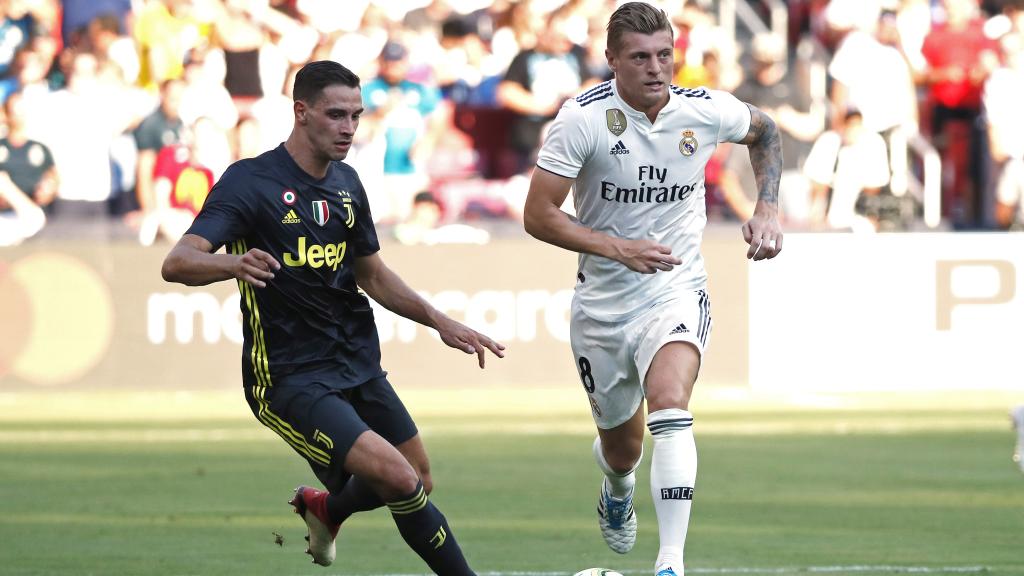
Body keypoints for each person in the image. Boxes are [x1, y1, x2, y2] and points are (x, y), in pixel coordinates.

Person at [161, 60, 505, 574]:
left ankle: (326, 508)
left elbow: (372, 274)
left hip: (356, 362)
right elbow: (177, 262)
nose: (348, 128)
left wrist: (440, 321)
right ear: (301, 113)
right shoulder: (249, 182)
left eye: (356, 116)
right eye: (336, 115)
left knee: (417, 477)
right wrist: (232, 262)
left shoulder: (347, 184)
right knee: (399, 478)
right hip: (289, 376)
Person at [522, 4, 783, 576]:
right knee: (624, 450)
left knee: (671, 404)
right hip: (602, 305)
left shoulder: (703, 109)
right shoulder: (581, 120)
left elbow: (764, 130)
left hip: (675, 288)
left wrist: (767, 208)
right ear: (611, 59)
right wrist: (618, 248)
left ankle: (670, 564)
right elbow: (538, 215)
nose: (656, 68)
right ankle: (617, 488)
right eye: (639, 57)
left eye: (664, 54)